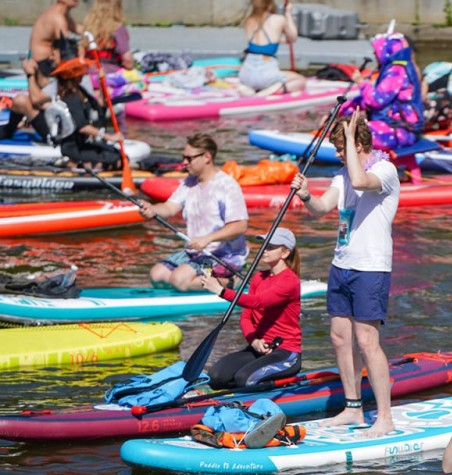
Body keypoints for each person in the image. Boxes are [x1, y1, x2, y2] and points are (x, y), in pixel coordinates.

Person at [291, 110, 399, 436]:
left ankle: (384, 418)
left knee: (367, 341)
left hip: (371, 267)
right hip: (342, 264)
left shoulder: (385, 170)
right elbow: (322, 209)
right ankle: (352, 408)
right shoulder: (341, 176)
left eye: (342, 148)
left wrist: (350, 138)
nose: (338, 155)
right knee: (340, 338)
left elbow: (361, 181)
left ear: (358, 143)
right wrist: (306, 194)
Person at [138, 134, 249, 292]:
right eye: (184, 157)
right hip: (196, 253)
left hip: (224, 256)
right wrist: (152, 209)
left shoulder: (227, 186)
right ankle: (194, 283)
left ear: (207, 157)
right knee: (157, 275)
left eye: (189, 158)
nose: (184, 162)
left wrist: (207, 239)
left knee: (179, 280)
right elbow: (169, 208)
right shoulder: (189, 182)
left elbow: (240, 225)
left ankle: (232, 282)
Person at [200, 228, 303, 390]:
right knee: (214, 377)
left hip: (286, 352)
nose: (264, 249)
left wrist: (221, 291)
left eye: (270, 247)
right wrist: (254, 341)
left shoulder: (290, 281)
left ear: (285, 253)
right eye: (264, 245)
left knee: (244, 379)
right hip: (259, 348)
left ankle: (275, 388)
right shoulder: (258, 277)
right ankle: (238, 391)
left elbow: (257, 302)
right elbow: (246, 317)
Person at [1, 0, 80, 140]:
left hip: (46, 67)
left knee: (33, 100)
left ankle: (16, 126)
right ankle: (11, 129)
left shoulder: (61, 15)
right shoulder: (57, 18)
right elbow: (66, 48)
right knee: (28, 100)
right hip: (42, 65)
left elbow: (78, 32)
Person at [340, 30, 423, 151]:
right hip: (396, 127)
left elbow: (377, 100)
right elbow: (366, 100)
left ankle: (363, 166)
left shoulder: (397, 72)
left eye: (376, 53)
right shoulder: (392, 69)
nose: (376, 57)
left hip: (402, 131)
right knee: (348, 123)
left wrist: (360, 82)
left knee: (351, 130)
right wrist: (340, 110)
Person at [47, 56, 123, 169]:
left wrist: (102, 83)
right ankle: (73, 164)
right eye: (80, 73)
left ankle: (94, 166)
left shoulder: (80, 91)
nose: (84, 74)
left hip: (84, 144)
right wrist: (109, 137)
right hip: (74, 148)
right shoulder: (70, 97)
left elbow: (100, 106)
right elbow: (82, 127)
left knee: (117, 153)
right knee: (112, 157)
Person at [239, 0, 306, 96]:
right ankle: (274, 90)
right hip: (266, 73)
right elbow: (293, 37)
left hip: (246, 74)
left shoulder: (248, 21)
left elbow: (263, 42)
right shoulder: (278, 19)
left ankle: (248, 88)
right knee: (300, 80)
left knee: (255, 80)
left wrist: (281, 39)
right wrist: (288, 13)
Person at [81, 0, 133, 72]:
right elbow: (127, 59)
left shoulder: (89, 25)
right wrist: (132, 69)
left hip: (89, 71)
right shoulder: (117, 27)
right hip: (109, 72)